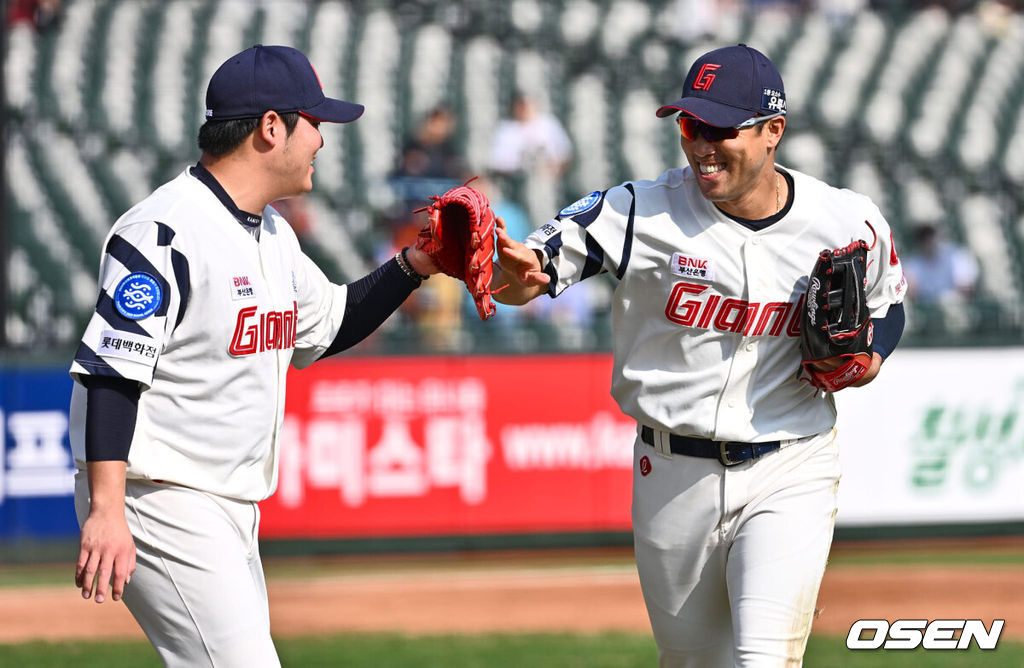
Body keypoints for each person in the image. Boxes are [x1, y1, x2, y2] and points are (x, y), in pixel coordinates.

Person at [492, 44, 907, 665]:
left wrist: (870, 357)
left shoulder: (845, 219)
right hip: (670, 472)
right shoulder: (639, 210)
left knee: (763, 659)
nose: (700, 145)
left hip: (791, 462)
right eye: (689, 125)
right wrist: (513, 269)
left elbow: (888, 304)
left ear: (774, 133)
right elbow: (528, 275)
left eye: (719, 127)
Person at [68, 45, 439, 667]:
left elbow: (332, 323)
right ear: (273, 127)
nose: (322, 139)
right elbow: (113, 370)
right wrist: (106, 509)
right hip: (159, 493)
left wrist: (416, 265)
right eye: (314, 122)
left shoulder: (271, 232)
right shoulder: (164, 230)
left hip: (226, 501)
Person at [901, 222, 979, 304]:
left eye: (931, 237)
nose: (929, 242)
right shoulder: (912, 264)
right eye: (924, 238)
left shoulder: (958, 256)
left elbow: (967, 289)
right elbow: (911, 293)